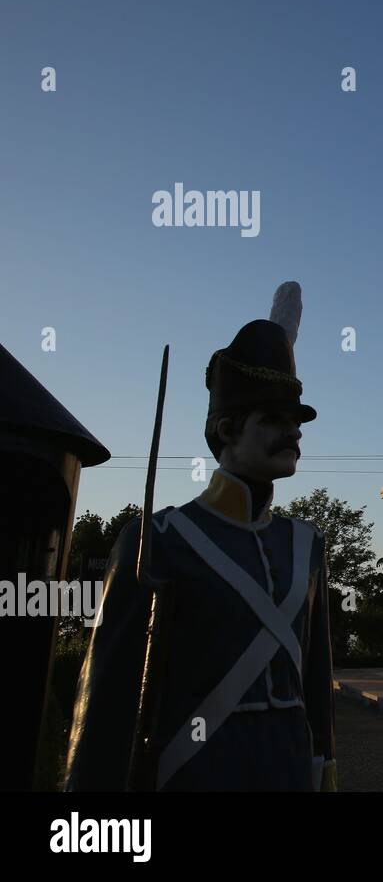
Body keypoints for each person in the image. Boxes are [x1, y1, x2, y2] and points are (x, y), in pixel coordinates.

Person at [65, 284, 336, 790]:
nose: (294, 433)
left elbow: (315, 681)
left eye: (296, 420)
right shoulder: (159, 540)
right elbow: (106, 703)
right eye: (273, 419)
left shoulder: (307, 546)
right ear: (227, 429)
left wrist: (326, 766)